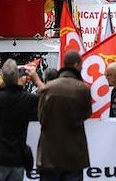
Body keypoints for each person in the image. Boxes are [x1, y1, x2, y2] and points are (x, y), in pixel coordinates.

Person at [37, 51, 91, 181]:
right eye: (81, 65)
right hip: (73, 156)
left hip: (49, 155)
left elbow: (41, 118)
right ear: (77, 65)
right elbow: (86, 115)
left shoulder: (47, 88)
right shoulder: (83, 89)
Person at [0, 59, 39, 181]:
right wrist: (37, 80)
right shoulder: (27, 99)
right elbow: (47, 96)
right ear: (17, 77)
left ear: (3, 77)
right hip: (17, 160)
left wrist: (2, 83)